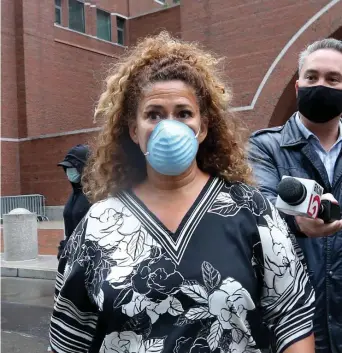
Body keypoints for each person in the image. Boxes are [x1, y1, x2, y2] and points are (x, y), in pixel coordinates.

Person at [49, 32, 315, 353]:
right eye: (153, 114)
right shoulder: (100, 222)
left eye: (184, 113)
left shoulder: (250, 209)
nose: (169, 126)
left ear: (203, 127)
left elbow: (292, 318)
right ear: (134, 130)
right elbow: (69, 338)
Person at [249, 38, 342, 353]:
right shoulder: (264, 147)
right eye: (312, 77)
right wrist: (299, 225)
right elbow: (257, 212)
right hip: (293, 327)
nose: (321, 85)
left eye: (333, 79)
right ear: (297, 86)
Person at [57, 144, 91, 259]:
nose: (69, 172)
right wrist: (63, 249)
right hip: (70, 258)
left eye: (73, 168)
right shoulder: (75, 193)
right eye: (67, 168)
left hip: (86, 261)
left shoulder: (96, 195)